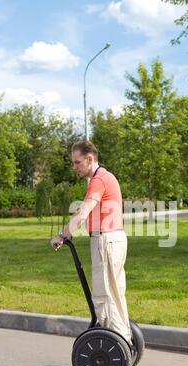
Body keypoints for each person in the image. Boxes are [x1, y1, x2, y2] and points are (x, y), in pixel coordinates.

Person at [50, 140, 132, 345]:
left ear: (89, 158)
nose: (74, 167)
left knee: (104, 296)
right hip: (113, 239)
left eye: (77, 162)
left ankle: (114, 345)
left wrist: (62, 235)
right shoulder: (105, 177)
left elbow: (83, 212)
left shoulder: (99, 180)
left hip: (106, 241)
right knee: (114, 294)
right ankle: (123, 338)